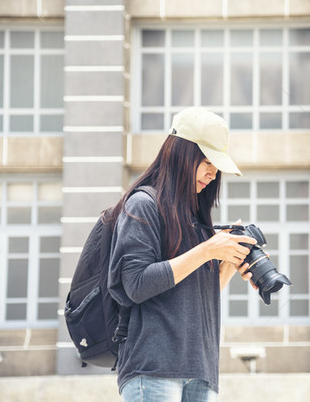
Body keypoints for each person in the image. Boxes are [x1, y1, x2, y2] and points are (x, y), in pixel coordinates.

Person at [107, 107, 256, 402]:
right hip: (153, 370)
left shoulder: (195, 219)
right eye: (207, 161)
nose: (213, 173)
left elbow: (192, 297)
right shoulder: (143, 205)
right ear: (182, 154)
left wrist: (228, 263)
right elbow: (135, 284)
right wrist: (207, 250)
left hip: (201, 371)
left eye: (217, 165)